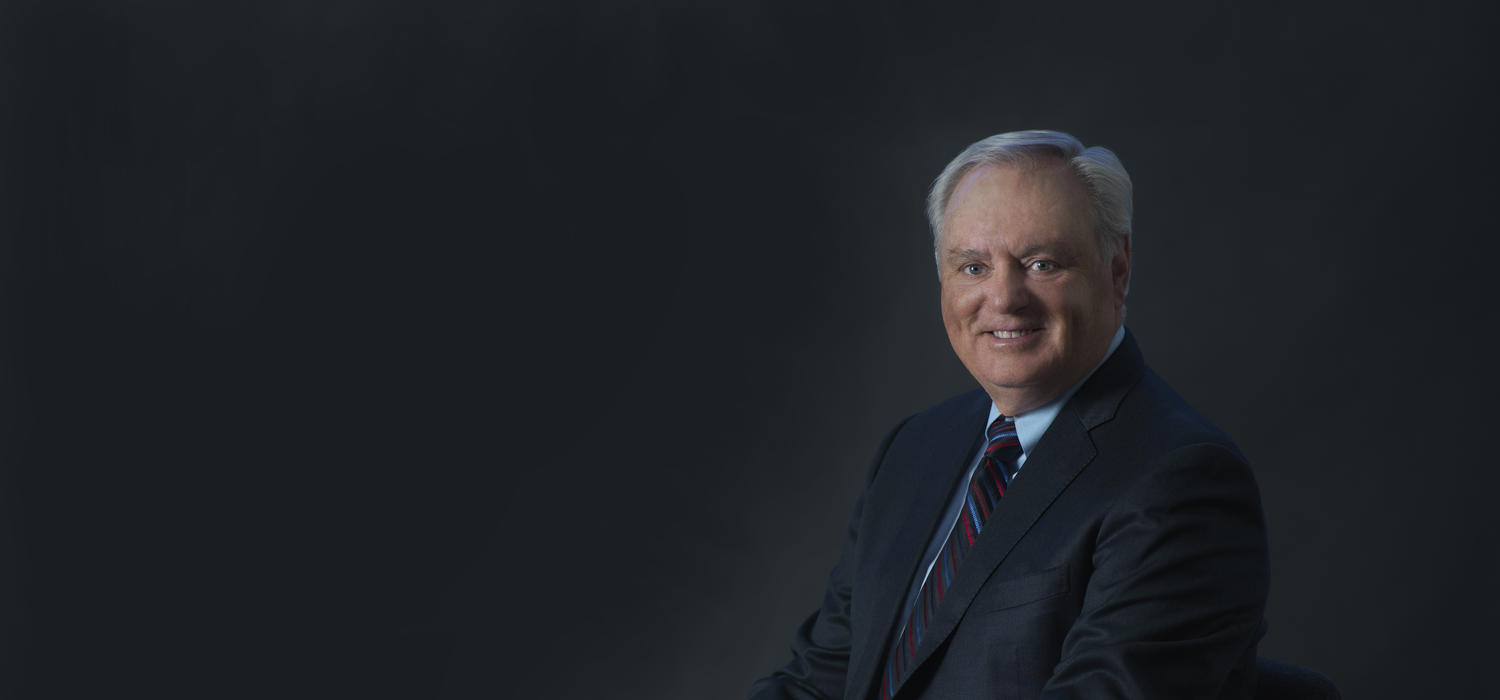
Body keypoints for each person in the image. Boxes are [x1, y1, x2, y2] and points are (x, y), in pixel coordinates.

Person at [748, 130, 1268, 699]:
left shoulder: (1181, 479)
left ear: (1117, 269)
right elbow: (823, 681)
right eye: (972, 267)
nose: (1003, 298)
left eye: (1041, 264)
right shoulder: (914, 448)